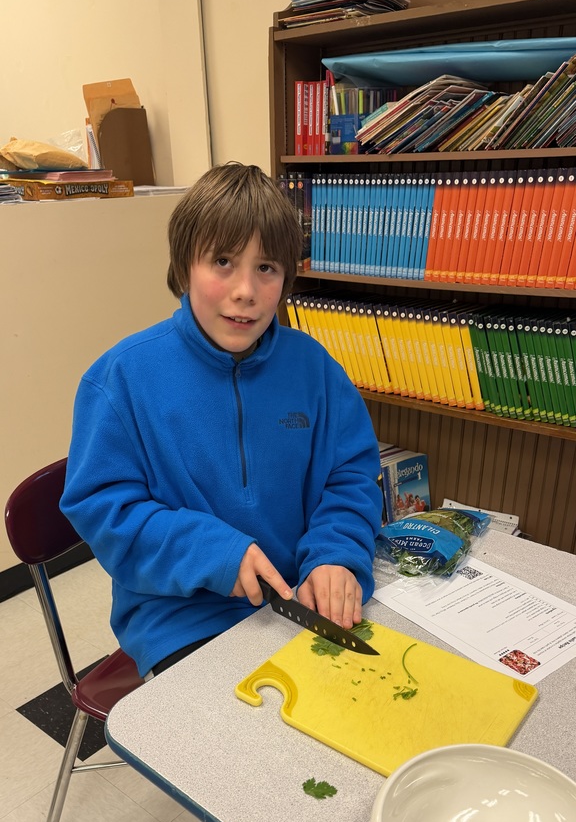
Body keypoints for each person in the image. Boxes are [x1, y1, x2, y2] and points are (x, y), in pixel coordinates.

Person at [61, 162, 382, 677]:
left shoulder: (316, 369)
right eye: (224, 262)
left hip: (301, 596)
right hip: (181, 618)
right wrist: (213, 553)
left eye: (267, 268)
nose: (245, 292)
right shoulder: (121, 377)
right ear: (185, 265)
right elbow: (102, 509)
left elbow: (350, 478)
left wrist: (336, 555)